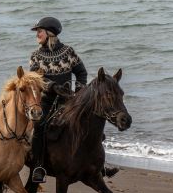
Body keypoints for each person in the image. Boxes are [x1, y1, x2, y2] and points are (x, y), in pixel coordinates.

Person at [28, 16, 118, 182]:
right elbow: (34, 78)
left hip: (68, 101)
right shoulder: (36, 56)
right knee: (39, 127)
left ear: (49, 33)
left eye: (39, 31)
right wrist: (53, 86)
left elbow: (81, 73)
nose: (37, 35)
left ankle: (100, 165)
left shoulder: (68, 52)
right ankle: (39, 167)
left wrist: (78, 91)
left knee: (91, 123)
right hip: (47, 101)